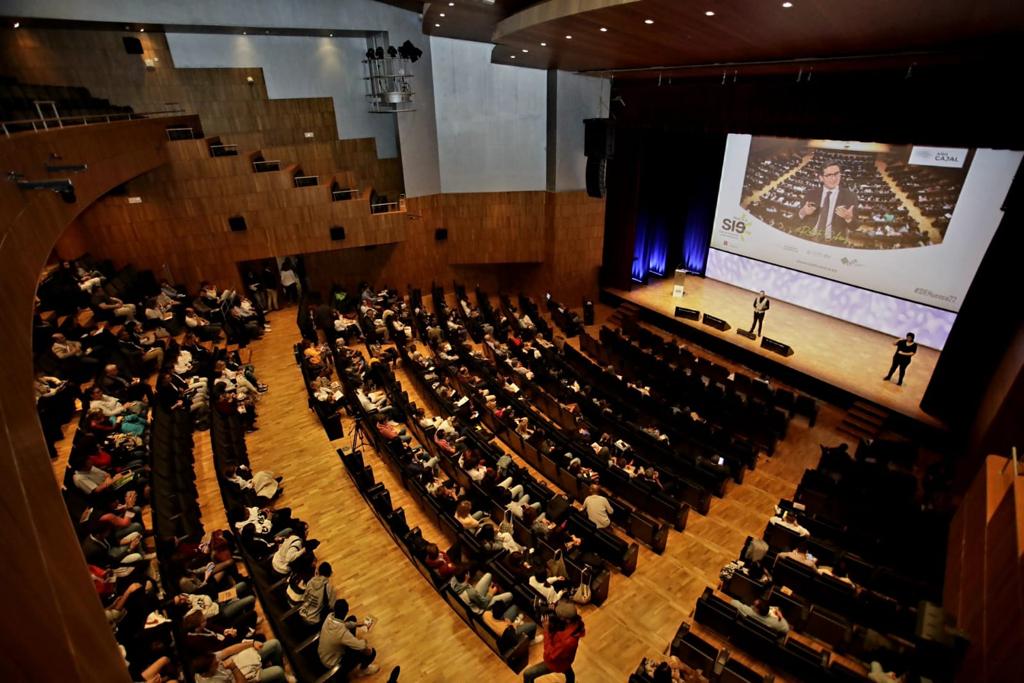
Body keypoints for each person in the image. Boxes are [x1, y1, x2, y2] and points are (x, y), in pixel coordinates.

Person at [522, 601, 585, 683]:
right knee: (569, 672)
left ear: (567, 620)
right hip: (566, 659)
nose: (557, 616)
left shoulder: (567, 642)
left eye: (559, 616)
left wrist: (546, 630)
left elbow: (550, 653)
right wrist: (553, 607)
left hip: (555, 664)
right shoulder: (575, 623)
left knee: (527, 674)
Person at [796, 161, 858, 240]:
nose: (834, 178)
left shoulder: (850, 196)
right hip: (808, 238)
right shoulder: (811, 193)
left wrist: (849, 218)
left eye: (836, 174)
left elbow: (855, 226)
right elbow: (795, 218)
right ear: (821, 178)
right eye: (828, 175)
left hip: (834, 242)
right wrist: (803, 212)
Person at [318, 599, 379, 677]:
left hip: (323, 654)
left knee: (352, 618)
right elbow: (362, 646)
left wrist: (358, 624)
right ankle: (363, 670)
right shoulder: (343, 634)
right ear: (346, 612)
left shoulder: (329, 616)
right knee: (370, 652)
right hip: (331, 662)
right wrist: (364, 641)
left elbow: (342, 624)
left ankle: (352, 642)